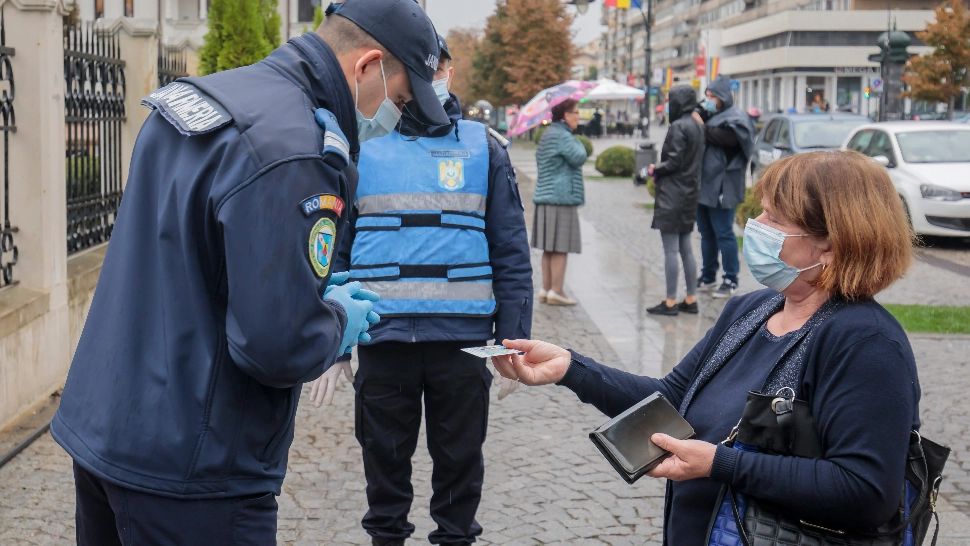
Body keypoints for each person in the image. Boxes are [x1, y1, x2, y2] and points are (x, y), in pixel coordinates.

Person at [49, 1, 449, 543]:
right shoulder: (294, 146)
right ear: (367, 66)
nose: (393, 118)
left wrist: (297, 282)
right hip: (196, 466)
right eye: (398, 99)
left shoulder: (206, 98)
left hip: (109, 432)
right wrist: (333, 322)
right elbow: (276, 345)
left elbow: (187, 259)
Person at [493, 151, 919, 544]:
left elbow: (865, 490)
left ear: (830, 242)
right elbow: (672, 401)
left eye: (774, 218)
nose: (755, 226)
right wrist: (570, 368)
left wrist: (720, 463)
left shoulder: (865, 342)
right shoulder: (751, 310)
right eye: (761, 212)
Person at [310, 37, 533, 546]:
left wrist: (513, 338)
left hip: (462, 343)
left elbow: (510, 251)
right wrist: (334, 340)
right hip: (383, 338)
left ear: (447, 71)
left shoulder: (483, 147)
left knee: (460, 462)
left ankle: (455, 539)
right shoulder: (359, 146)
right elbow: (334, 248)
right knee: (383, 461)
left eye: (432, 67)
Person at [693, 75, 755, 298]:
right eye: (706, 95)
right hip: (703, 187)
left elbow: (725, 139)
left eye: (712, 96)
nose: (708, 99)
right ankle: (708, 275)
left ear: (722, 97)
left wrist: (700, 125)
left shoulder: (735, 118)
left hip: (722, 187)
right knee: (706, 232)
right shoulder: (711, 115)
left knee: (724, 233)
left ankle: (730, 278)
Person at [646, 85, 705, 316]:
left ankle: (670, 301)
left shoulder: (679, 126)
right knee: (685, 248)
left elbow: (673, 161)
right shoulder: (698, 125)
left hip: (673, 193)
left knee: (671, 249)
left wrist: (654, 169)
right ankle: (691, 298)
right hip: (690, 192)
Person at [533, 99, 587, 306]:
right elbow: (579, 156)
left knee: (549, 248)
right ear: (565, 115)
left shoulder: (548, 134)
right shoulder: (563, 136)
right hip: (560, 197)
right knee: (560, 247)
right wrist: (577, 139)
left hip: (546, 196)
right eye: (575, 112)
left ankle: (546, 289)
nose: (578, 116)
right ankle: (557, 290)